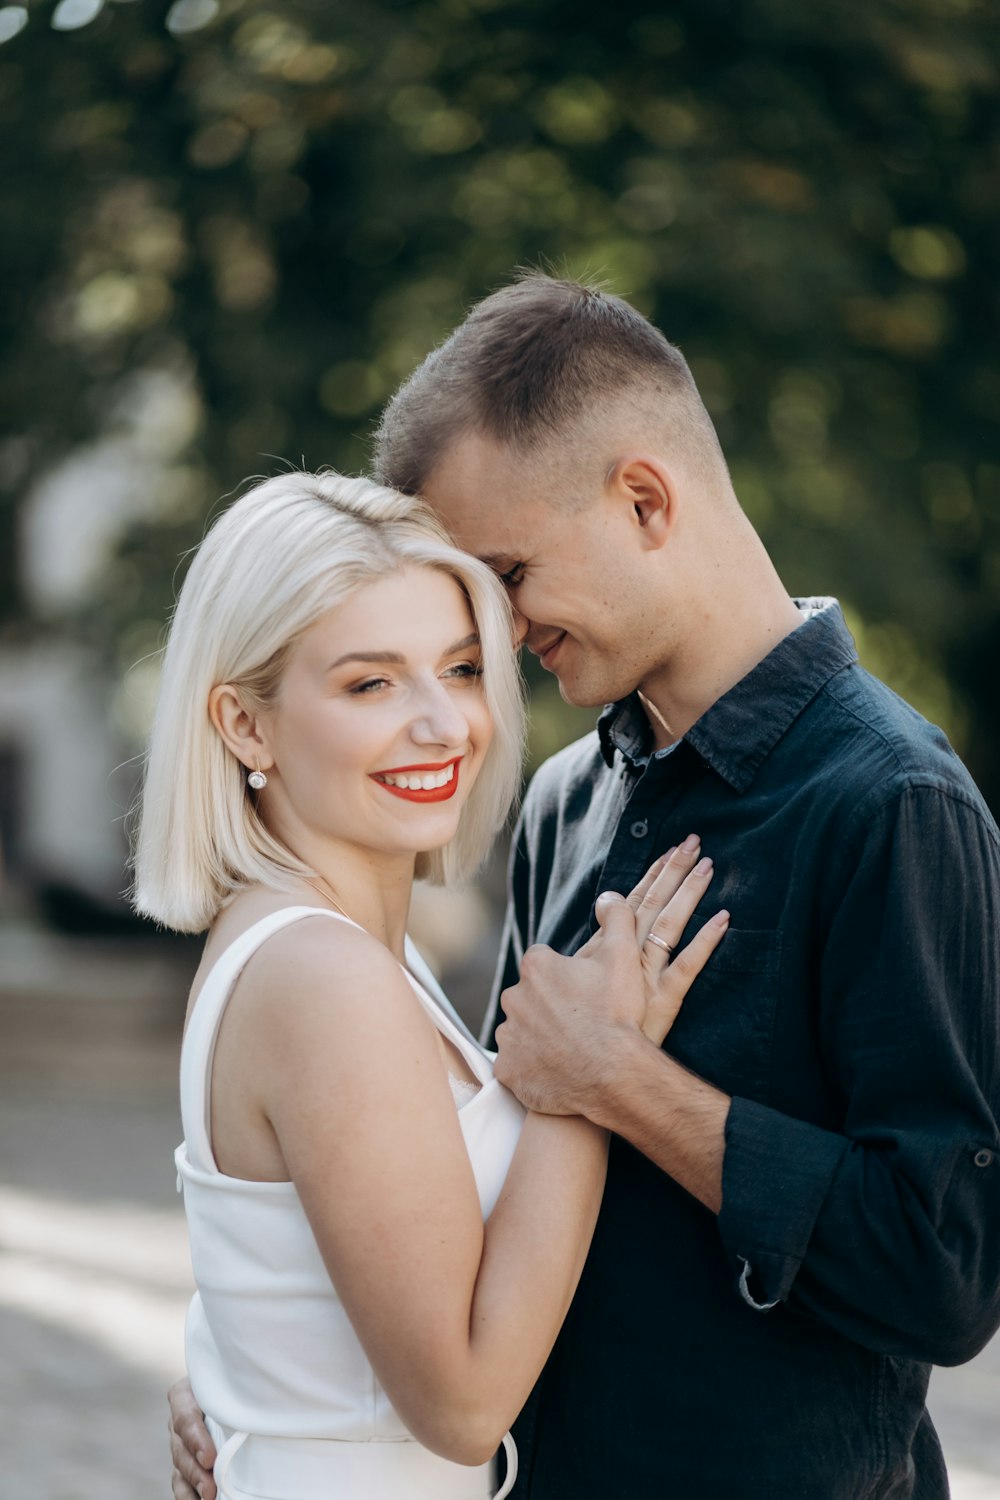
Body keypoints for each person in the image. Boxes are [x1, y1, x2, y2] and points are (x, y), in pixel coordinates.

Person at [168, 280, 1000, 1498]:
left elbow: (949, 1270)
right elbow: (446, 1178)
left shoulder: (890, 805)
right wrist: (248, 1368)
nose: (495, 636)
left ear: (644, 501)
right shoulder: (565, 798)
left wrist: (626, 1085)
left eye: (505, 573)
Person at [139, 468, 726, 1500]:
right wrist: (592, 1074)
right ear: (243, 725)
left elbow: (277, 1271)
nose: (444, 724)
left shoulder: (343, 952)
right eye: (370, 683)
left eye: (458, 669)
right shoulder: (319, 974)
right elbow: (459, 1407)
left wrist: (226, 1387)